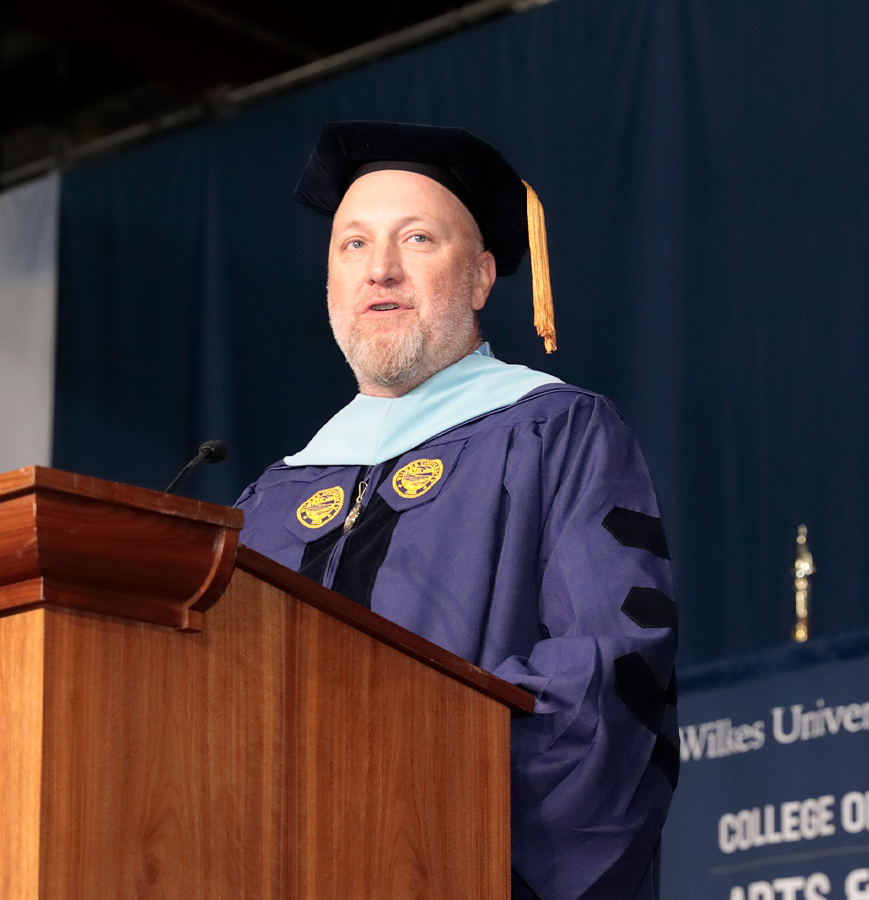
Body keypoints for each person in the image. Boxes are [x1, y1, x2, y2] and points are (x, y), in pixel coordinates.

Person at [236, 121, 678, 900]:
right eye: (353, 245)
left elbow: (608, 675)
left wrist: (399, 791)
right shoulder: (272, 499)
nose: (380, 269)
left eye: (416, 239)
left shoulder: (556, 433)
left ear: (478, 278)